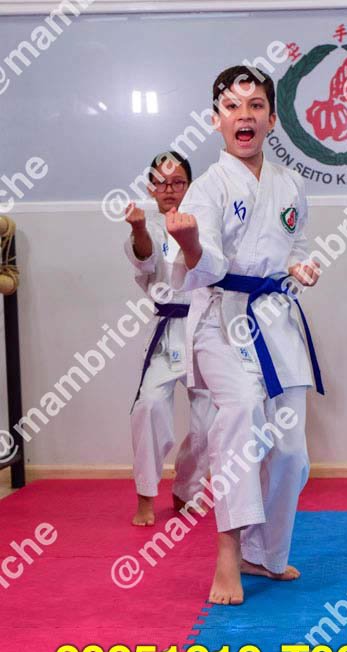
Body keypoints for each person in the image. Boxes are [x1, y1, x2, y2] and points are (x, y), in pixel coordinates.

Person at [165, 67, 322, 604]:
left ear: (272, 119)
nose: (244, 115)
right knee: (242, 418)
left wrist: (300, 266)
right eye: (232, 106)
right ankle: (228, 555)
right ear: (216, 120)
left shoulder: (289, 183)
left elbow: (297, 243)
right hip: (221, 320)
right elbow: (205, 264)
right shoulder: (208, 187)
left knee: (292, 453)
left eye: (255, 106)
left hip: (276, 319)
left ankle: (264, 553)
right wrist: (190, 244)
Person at [125, 151, 214, 526]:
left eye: (177, 182)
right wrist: (138, 230)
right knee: (148, 406)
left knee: (209, 422)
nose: (169, 189)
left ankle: (186, 489)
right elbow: (144, 259)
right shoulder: (148, 228)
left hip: (206, 329)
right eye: (161, 183)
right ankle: (146, 495)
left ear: (189, 186)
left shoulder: (204, 223)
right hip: (166, 333)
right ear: (151, 188)